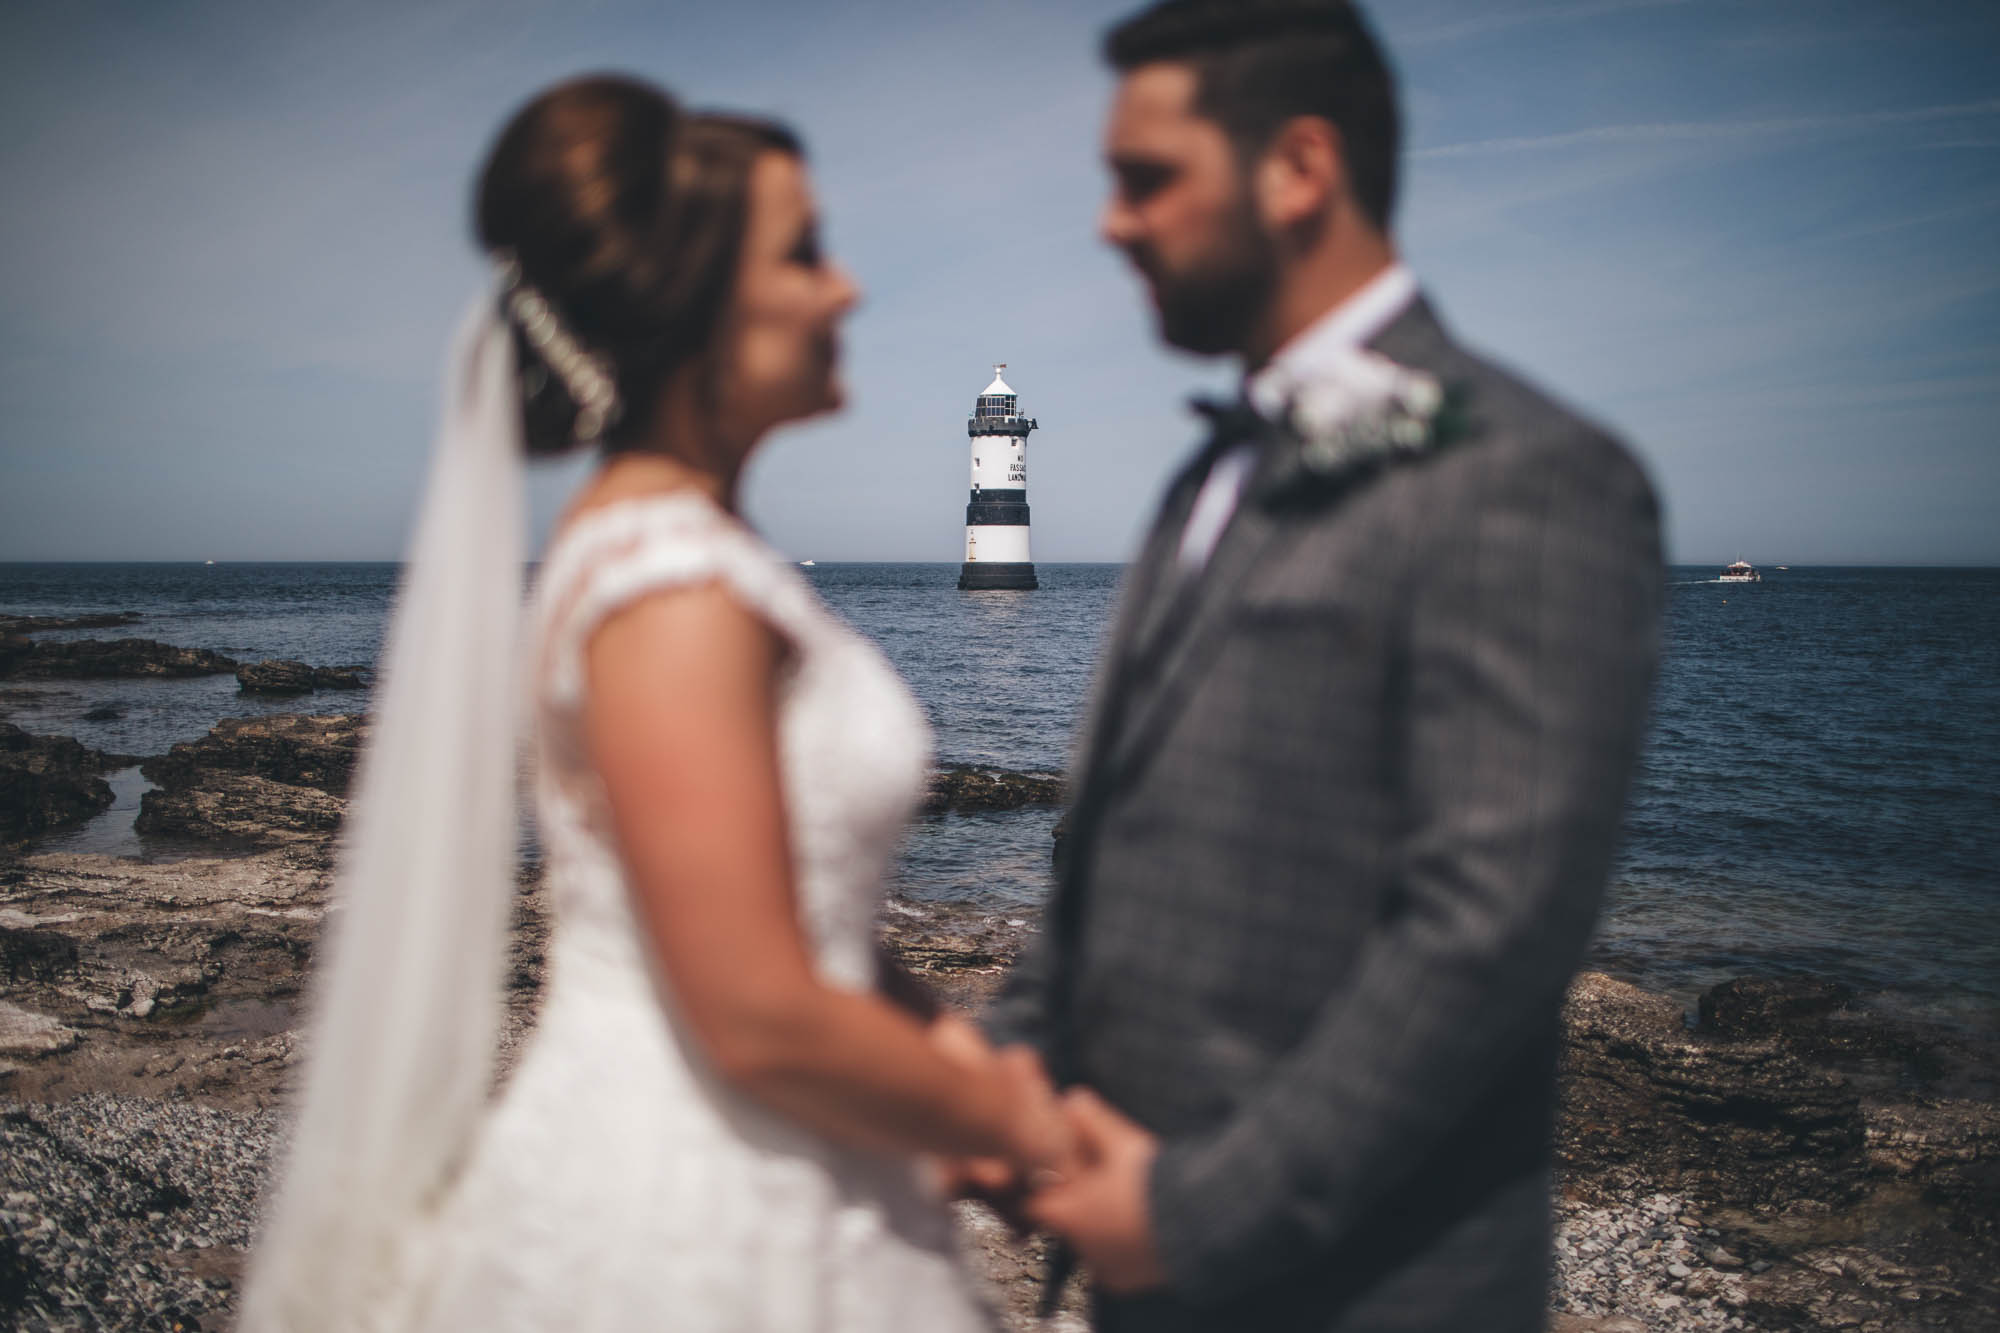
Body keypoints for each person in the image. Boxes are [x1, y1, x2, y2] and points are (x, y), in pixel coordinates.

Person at [239, 75, 1072, 1333]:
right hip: (693, 1216)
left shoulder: (692, 551)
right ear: (693, 298)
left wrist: (952, 1054)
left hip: (791, 1162)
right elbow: (751, 1005)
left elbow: (799, 921)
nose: (846, 288)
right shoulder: (667, 588)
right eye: (804, 254)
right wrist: (1028, 1127)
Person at [980, 2, 1665, 1329]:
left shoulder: (1528, 477)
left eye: (1146, 178)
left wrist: (1189, 1216)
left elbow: (1491, 928)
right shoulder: (1207, 471)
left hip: (1364, 1288)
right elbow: (1119, 842)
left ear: (1299, 167)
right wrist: (1008, 1059)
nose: (1110, 224)